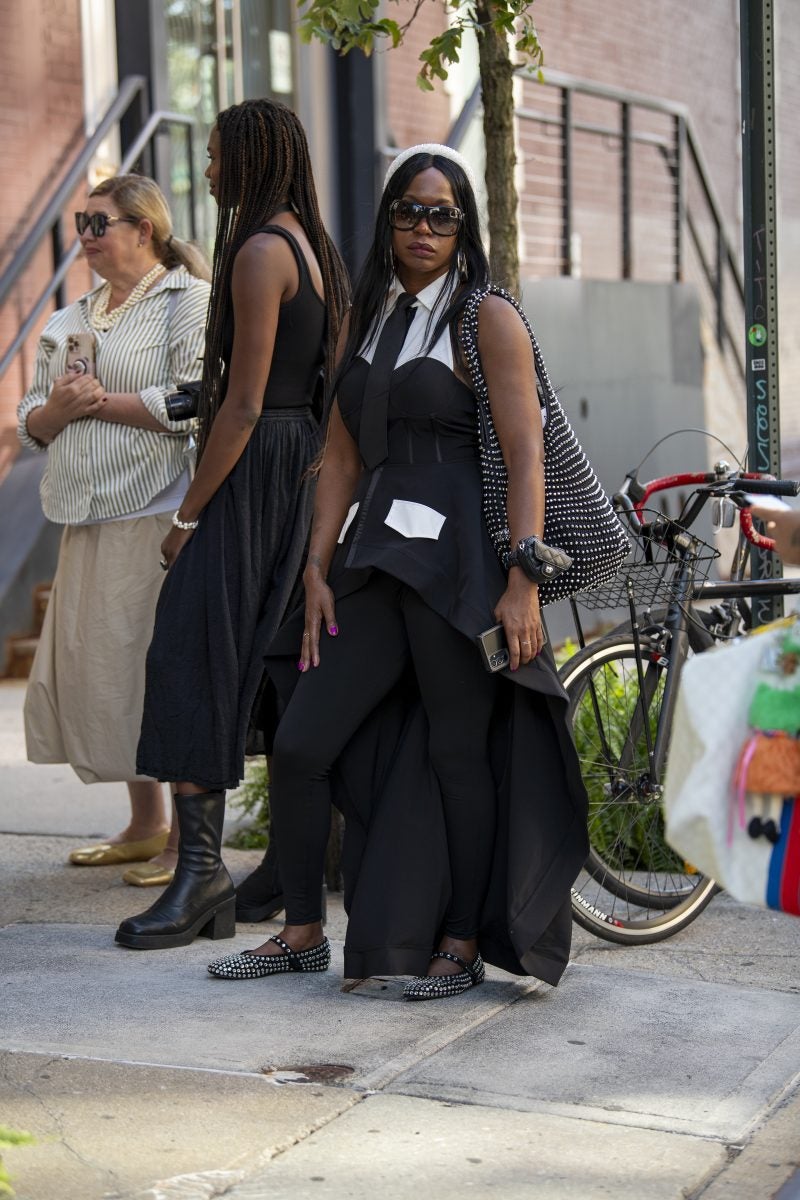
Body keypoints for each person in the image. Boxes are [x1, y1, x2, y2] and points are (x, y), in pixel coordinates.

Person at [207, 144, 589, 999]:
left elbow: (526, 454)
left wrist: (524, 575)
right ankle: (301, 931)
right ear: (386, 221)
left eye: (442, 214)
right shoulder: (370, 315)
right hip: (373, 559)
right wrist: (316, 564)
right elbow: (339, 453)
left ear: (464, 227)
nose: (423, 227)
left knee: (461, 753)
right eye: (409, 212)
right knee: (302, 743)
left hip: (461, 571)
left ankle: (458, 945)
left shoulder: (485, 315)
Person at [114, 99, 350, 950]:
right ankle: (289, 866)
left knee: (187, 655)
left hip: (253, 472)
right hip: (296, 470)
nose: (207, 172)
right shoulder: (313, 247)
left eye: (216, 158)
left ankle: (199, 876)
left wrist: (186, 516)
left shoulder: (257, 253)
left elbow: (243, 404)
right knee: (275, 669)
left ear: (251, 158)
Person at [17, 174, 211, 886]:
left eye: (100, 223)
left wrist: (96, 404)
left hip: (157, 511)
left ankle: (178, 846)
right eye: (81, 222)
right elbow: (31, 424)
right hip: (85, 512)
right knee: (103, 674)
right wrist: (62, 410)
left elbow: (195, 400)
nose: (87, 236)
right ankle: (143, 822)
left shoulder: (186, 301)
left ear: (144, 229)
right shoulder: (73, 315)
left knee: (150, 670)